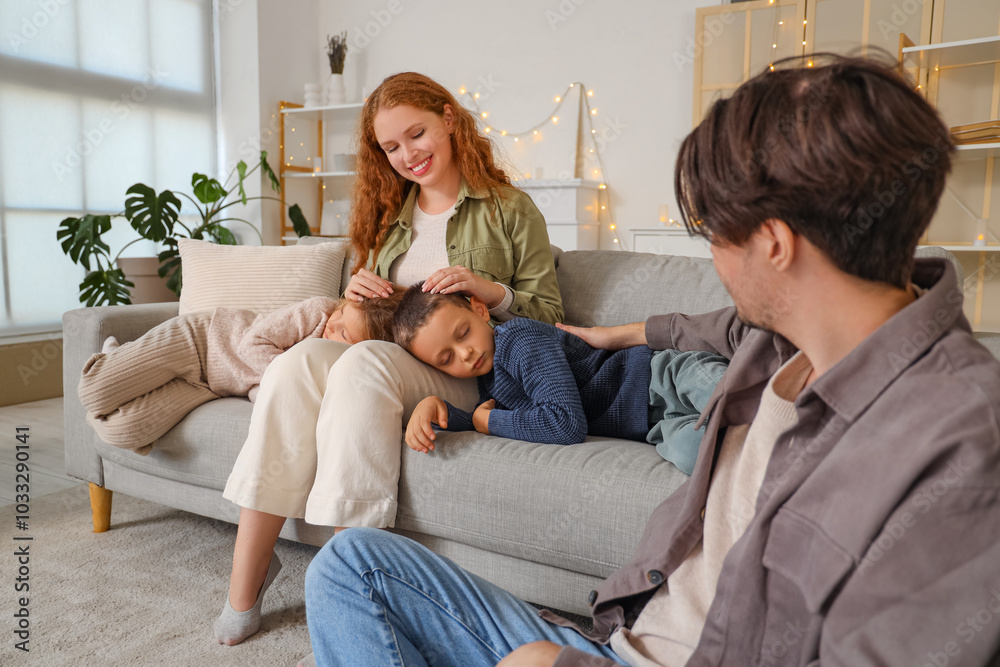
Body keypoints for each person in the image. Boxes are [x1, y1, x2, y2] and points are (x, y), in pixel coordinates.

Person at [302, 55, 1000, 666]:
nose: (711, 261)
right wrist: (613, 335)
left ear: (775, 243)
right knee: (349, 564)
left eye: (713, 236)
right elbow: (705, 324)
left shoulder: (957, 441)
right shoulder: (782, 334)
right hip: (616, 637)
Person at [215, 71, 563, 646]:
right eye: (392, 146)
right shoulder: (389, 216)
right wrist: (355, 298)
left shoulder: (508, 208)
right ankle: (246, 580)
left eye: (417, 134)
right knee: (295, 365)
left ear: (450, 120)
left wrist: (489, 288)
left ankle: (351, 593)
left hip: (470, 376)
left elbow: (551, 318)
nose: (408, 155)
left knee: (363, 365)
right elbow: (370, 318)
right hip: (385, 357)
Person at [393, 286, 728, 474]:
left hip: (660, 376)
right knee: (696, 454)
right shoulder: (489, 381)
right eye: (446, 359)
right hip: (653, 425)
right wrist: (436, 408)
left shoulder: (517, 340)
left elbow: (565, 424)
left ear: (480, 311)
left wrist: (488, 420)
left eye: (463, 333)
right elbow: (484, 421)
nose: (464, 354)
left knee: (728, 393)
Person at [78, 294, 398, 455]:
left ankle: (125, 379)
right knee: (92, 392)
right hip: (203, 339)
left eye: (344, 333)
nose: (334, 323)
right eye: (342, 313)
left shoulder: (333, 370)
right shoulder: (319, 310)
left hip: (209, 386)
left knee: (126, 433)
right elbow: (251, 344)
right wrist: (288, 379)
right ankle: (115, 356)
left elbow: (263, 394)